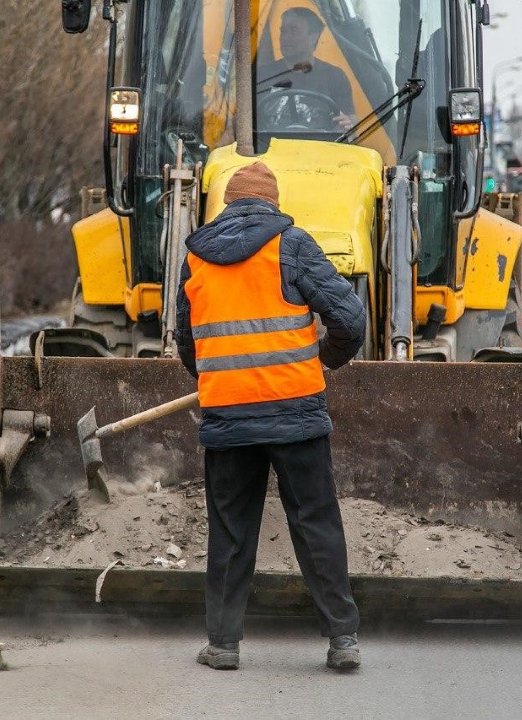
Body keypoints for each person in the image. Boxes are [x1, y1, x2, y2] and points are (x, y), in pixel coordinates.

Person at [176, 162, 366, 671]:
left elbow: (186, 342)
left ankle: (223, 644)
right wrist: (322, 358)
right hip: (295, 410)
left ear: (226, 204)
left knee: (231, 531)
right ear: (273, 205)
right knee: (316, 524)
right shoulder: (292, 244)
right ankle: (342, 640)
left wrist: (221, 377)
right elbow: (350, 319)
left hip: (227, 415)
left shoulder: (196, 255)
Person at [256, 7, 357, 130]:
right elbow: (247, 120)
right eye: (283, 31)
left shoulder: (334, 76)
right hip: (271, 147)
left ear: (313, 37)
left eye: (293, 31)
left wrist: (349, 124)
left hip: (320, 147)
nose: (285, 37)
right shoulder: (262, 75)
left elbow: (350, 121)